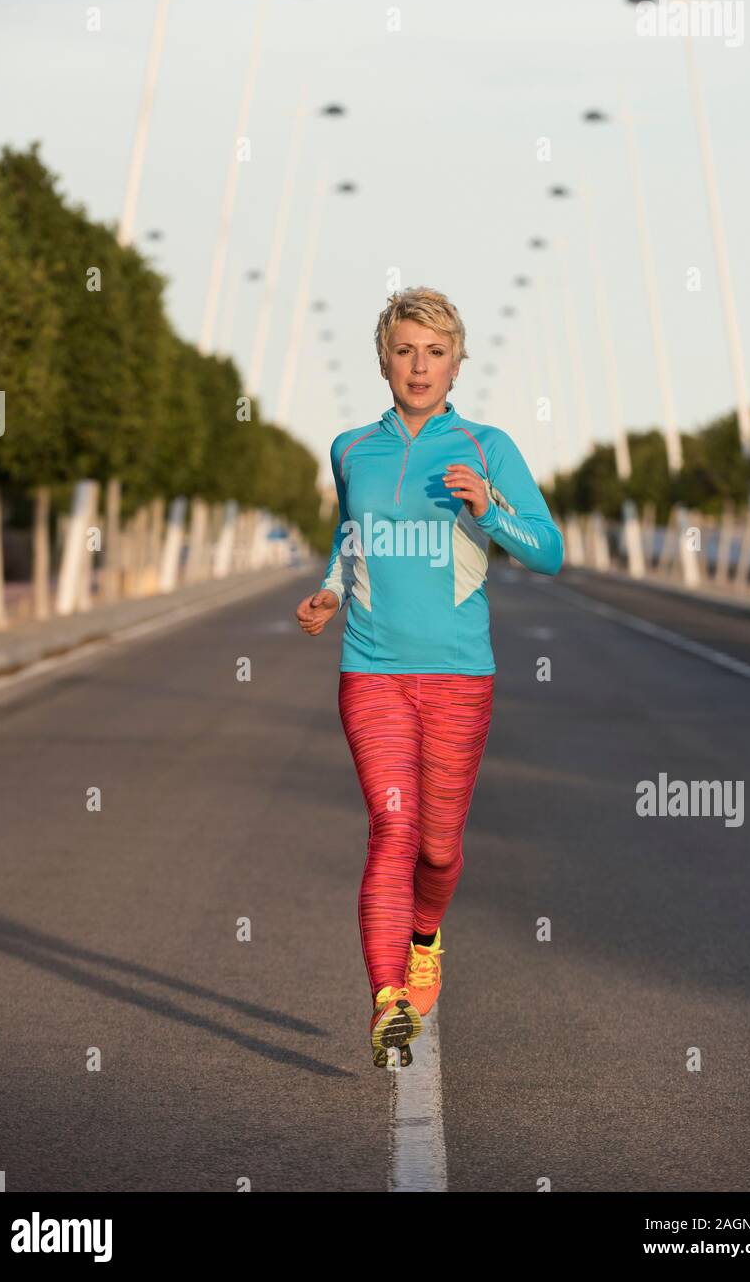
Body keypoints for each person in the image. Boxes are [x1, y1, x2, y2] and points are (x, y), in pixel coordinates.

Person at [296, 287, 564, 1067]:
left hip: (458, 677)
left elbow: (545, 551)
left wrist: (490, 507)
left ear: (456, 363)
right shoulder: (351, 448)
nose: (419, 366)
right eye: (405, 350)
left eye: (434, 352)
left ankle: (424, 939)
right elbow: (351, 538)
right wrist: (328, 592)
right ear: (383, 358)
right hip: (370, 670)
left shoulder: (487, 446)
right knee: (392, 830)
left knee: (439, 850)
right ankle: (387, 1002)